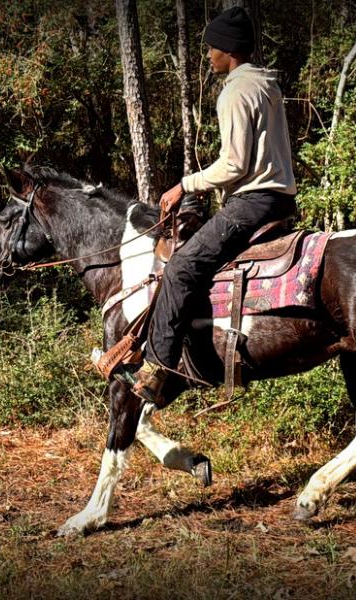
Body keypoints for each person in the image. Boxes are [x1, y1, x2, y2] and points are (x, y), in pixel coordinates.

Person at [133, 6, 297, 405]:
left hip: (251, 202)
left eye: (212, 48)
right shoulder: (267, 85)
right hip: (279, 200)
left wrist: (184, 185)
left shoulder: (236, 91)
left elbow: (234, 164)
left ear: (229, 50)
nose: (208, 55)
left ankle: (156, 369)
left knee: (180, 267)